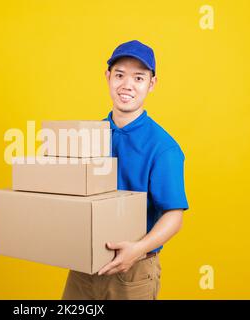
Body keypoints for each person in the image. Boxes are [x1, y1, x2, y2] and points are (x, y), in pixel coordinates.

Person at [62, 40, 189, 300]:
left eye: (138, 78)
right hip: (83, 266)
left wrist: (138, 249)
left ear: (151, 84)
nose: (127, 85)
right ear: (108, 77)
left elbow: (174, 216)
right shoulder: (87, 136)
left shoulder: (163, 147)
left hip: (134, 271)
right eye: (119, 75)